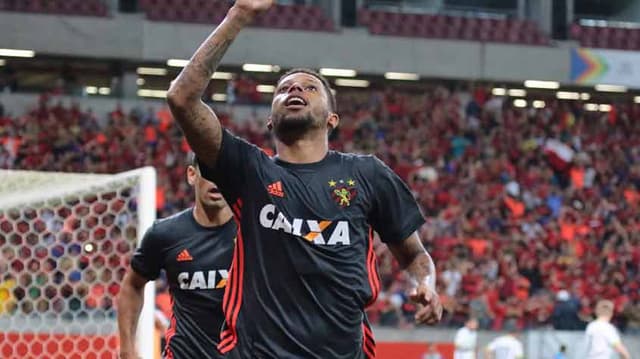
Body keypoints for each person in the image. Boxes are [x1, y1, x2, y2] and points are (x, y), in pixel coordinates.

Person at [166, 0, 443, 357]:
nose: (294, 90)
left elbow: (414, 254)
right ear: (270, 120)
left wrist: (427, 283)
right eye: (283, 89)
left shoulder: (367, 174)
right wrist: (240, 14)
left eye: (310, 88)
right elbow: (182, 98)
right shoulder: (249, 171)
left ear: (332, 119)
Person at [117, 153, 236, 359]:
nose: (217, 180)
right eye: (209, 172)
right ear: (192, 174)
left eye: (225, 173)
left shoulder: (255, 232)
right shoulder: (166, 234)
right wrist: (127, 350)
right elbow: (132, 285)